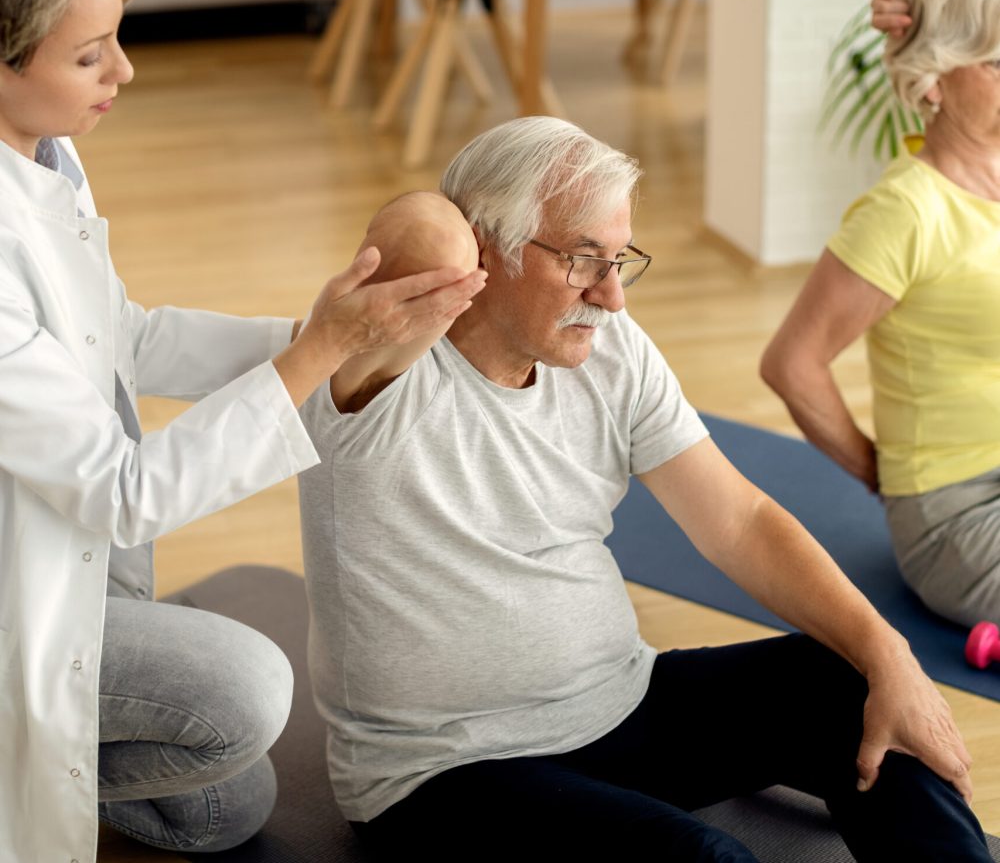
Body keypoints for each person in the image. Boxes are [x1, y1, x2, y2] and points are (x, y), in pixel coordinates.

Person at [296, 115, 989, 862]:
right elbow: (418, 225)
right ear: (483, 252)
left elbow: (741, 523)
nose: (613, 296)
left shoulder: (608, 346)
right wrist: (459, 227)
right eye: (584, 259)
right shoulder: (376, 371)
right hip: (443, 774)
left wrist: (892, 657)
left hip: (621, 707)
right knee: (703, 860)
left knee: (859, 688)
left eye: (620, 259)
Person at [0, 0, 485, 863]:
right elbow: (119, 493)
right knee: (247, 693)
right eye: (90, 56)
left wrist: (320, 333)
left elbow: (116, 337)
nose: (124, 71)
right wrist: (321, 353)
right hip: (26, 588)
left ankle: (54, 735)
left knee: (225, 805)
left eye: (117, 40)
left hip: (80, 564)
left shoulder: (44, 152)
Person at [762, 0, 1000, 629]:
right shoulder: (906, 213)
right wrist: (882, 473)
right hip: (959, 510)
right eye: (997, 64)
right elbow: (791, 364)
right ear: (934, 81)